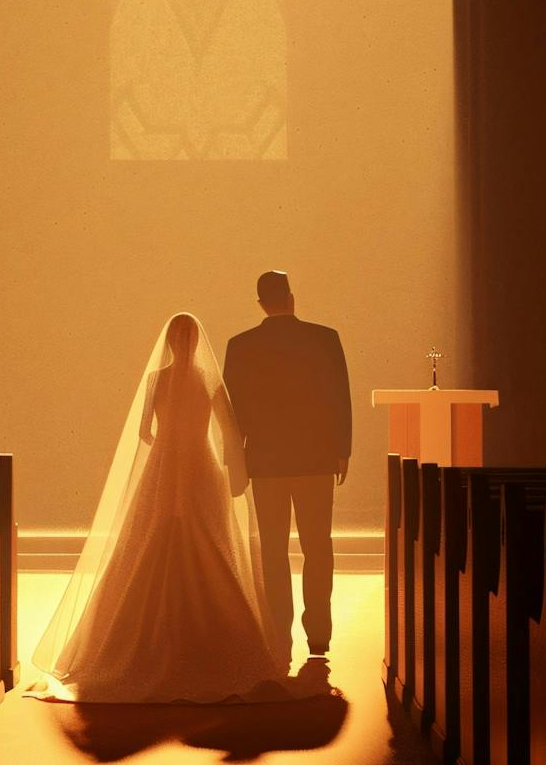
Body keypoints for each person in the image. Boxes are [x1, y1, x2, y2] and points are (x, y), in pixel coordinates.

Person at [30, 313, 289, 703]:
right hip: (199, 463)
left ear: (168, 342)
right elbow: (228, 428)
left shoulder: (157, 378)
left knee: (147, 541)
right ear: (196, 341)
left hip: (164, 465)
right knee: (210, 542)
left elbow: (143, 433)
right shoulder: (209, 378)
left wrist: (169, 443)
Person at [223, 271, 352, 661]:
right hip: (315, 460)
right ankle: (319, 635)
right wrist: (341, 450)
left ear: (260, 302)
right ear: (292, 298)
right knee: (318, 547)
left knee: (273, 551)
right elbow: (339, 398)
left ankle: (279, 630)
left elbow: (234, 413)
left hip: (266, 462)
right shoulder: (325, 338)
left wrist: (237, 462)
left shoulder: (240, 345)